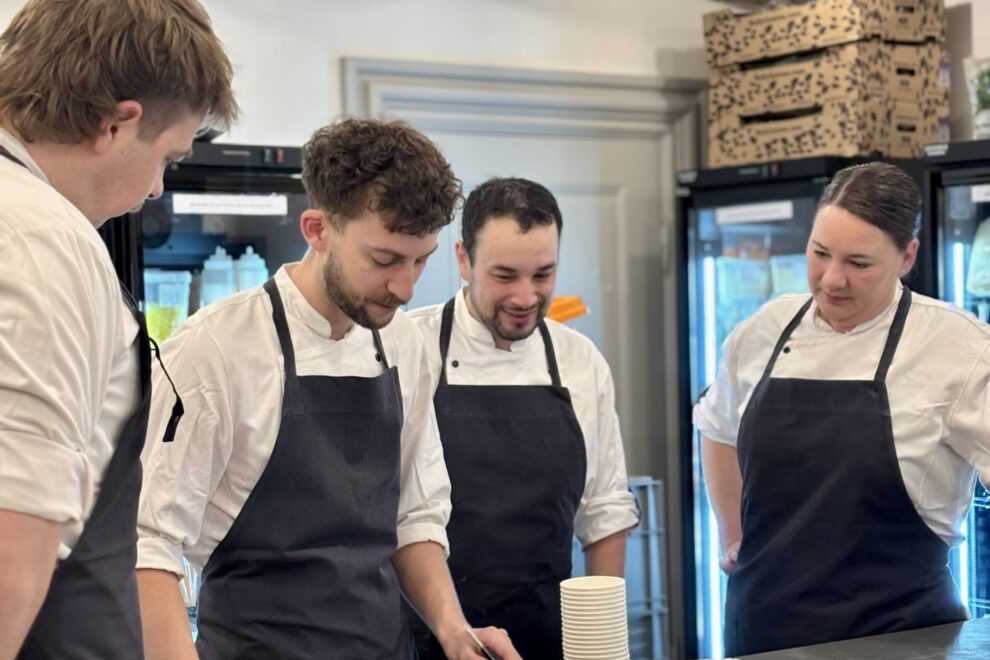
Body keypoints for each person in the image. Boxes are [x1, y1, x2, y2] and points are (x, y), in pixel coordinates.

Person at [135, 119, 520, 660]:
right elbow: (149, 544)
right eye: (384, 260)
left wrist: (455, 632)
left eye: (421, 260)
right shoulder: (214, 350)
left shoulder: (403, 343)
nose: (406, 288)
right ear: (317, 230)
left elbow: (415, 514)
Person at [0, 1, 235, 658]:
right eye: (168, 157)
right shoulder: (40, 242)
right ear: (116, 123)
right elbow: (11, 539)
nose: (157, 189)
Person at [697, 162, 990, 656]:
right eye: (820, 253)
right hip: (764, 634)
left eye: (859, 263)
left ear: (907, 256)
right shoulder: (765, 330)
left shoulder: (959, 348)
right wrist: (733, 533)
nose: (832, 279)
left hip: (902, 638)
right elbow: (718, 427)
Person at [408, 177, 641, 659]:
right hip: (425, 638)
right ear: (463, 260)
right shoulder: (410, 348)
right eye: (505, 275)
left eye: (543, 275)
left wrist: (599, 644)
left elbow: (604, 511)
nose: (525, 296)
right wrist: (454, 633)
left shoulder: (579, 361)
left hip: (546, 636)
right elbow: (400, 516)